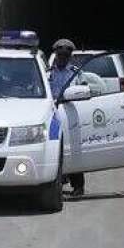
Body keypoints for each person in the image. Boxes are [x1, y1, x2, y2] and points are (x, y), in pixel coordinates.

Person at [48, 39, 85, 197]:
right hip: (52, 115)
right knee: (54, 150)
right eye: (60, 54)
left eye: (65, 55)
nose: (62, 58)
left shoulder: (77, 72)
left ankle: (78, 187)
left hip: (71, 115)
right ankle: (56, 183)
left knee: (74, 150)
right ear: (56, 54)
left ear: (70, 56)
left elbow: (84, 92)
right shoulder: (47, 73)